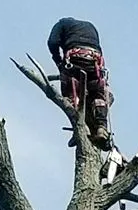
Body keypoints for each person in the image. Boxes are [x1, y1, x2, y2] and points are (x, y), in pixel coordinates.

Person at [47, 17, 113, 151]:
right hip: (95, 62)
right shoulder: (91, 25)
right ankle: (101, 127)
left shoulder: (61, 24)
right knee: (98, 94)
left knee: (71, 92)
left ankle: (81, 128)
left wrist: (58, 61)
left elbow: (52, 42)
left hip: (74, 58)